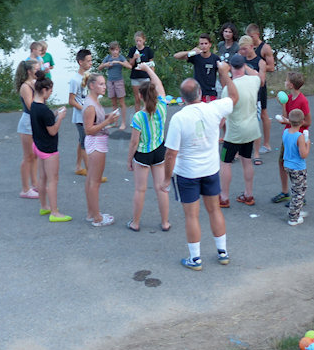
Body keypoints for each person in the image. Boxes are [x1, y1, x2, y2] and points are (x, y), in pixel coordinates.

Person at [163, 62, 239, 270]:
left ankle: (195, 258)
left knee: (191, 216)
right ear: (200, 93)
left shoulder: (179, 118)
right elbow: (234, 97)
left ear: (182, 98)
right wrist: (225, 74)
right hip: (210, 170)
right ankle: (222, 252)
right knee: (214, 210)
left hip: (187, 173)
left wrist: (166, 179)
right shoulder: (213, 108)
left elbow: (171, 154)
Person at [126, 63, 171, 232]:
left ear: (140, 96)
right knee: (161, 188)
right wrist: (148, 69)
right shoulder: (162, 107)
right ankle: (165, 222)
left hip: (143, 154)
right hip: (159, 151)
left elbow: (134, 142)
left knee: (140, 190)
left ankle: (135, 223)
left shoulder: (138, 117)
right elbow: (160, 85)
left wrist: (129, 160)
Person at [218, 53, 261, 207]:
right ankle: (248, 194)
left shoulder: (227, 90)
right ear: (244, 65)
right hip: (251, 129)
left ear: (230, 67)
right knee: (247, 161)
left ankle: (224, 197)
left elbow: (223, 116)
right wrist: (245, 65)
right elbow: (256, 74)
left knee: (225, 163)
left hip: (234, 133)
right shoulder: (254, 81)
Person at [30, 70, 72, 222]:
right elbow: (53, 130)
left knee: (42, 177)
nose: (51, 93)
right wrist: (60, 117)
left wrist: (54, 113)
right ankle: (54, 212)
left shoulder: (34, 106)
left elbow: (43, 120)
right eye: (50, 91)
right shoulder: (44, 110)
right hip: (49, 149)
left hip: (38, 146)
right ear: (44, 90)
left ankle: (44, 206)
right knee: (53, 180)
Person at [83, 72, 120, 226]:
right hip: (96, 143)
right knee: (95, 181)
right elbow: (88, 129)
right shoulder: (90, 105)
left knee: (91, 179)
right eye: (101, 84)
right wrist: (108, 122)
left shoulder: (93, 101)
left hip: (97, 141)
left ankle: (91, 213)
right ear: (92, 85)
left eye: (104, 84)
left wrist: (106, 116)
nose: (104, 87)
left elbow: (95, 120)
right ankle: (97, 217)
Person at [272, 72, 312, 204]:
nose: (285, 82)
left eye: (286, 80)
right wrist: (283, 105)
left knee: (295, 167)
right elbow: (286, 117)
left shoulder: (302, 100)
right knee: (282, 162)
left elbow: (308, 122)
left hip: (298, 137)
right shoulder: (288, 98)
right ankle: (285, 192)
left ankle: (300, 195)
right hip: (288, 135)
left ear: (291, 85)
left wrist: (288, 122)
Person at [247, 23, 275, 156]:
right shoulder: (247, 48)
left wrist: (258, 68)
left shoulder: (265, 48)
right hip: (248, 86)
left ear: (257, 35)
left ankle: (266, 144)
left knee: (263, 113)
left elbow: (272, 67)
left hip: (260, 85)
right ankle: (249, 143)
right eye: (248, 37)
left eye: (252, 37)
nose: (250, 39)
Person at [239, 35, 267, 165]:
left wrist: (246, 68)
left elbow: (261, 82)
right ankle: (239, 151)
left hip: (255, 99)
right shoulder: (240, 60)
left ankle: (256, 153)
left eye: (245, 49)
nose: (243, 52)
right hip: (242, 97)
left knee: (254, 126)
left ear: (251, 46)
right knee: (240, 124)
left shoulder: (260, 62)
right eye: (241, 49)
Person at [14, 60, 40, 199]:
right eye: (36, 69)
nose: (39, 71)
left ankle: (35, 184)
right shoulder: (26, 86)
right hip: (27, 123)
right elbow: (31, 106)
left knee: (35, 155)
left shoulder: (35, 83)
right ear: (29, 71)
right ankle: (25, 189)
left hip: (35, 121)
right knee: (28, 156)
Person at [283, 109, 311, 226]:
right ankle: (293, 217)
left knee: (296, 188)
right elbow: (303, 154)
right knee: (299, 192)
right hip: (298, 167)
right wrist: (307, 144)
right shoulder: (300, 136)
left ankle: (296, 210)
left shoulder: (286, 132)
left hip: (287, 165)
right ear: (302, 122)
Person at [173, 33, 220, 102]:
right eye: (201, 44)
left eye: (206, 43)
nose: (204, 46)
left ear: (210, 45)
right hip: (197, 93)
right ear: (199, 45)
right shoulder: (196, 56)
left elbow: (222, 74)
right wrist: (190, 52)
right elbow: (176, 56)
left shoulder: (215, 58)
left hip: (210, 93)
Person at [69, 49, 93, 177]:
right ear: (80, 62)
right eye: (88, 61)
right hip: (80, 117)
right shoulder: (75, 80)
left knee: (81, 141)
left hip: (88, 115)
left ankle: (78, 167)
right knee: (85, 144)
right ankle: (91, 172)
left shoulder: (88, 76)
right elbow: (71, 101)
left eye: (91, 60)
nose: (91, 63)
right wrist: (84, 109)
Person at [99, 41, 129, 130]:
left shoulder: (121, 57)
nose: (115, 52)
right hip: (110, 81)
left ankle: (123, 123)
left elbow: (129, 66)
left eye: (116, 50)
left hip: (119, 81)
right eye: (113, 50)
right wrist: (106, 64)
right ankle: (114, 122)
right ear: (110, 50)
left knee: (122, 103)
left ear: (118, 50)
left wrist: (119, 62)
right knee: (113, 104)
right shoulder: (108, 58)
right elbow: (99, 68)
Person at [128, 31, 154, 113]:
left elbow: (152, 64)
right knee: (137, 98)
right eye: (137, 41)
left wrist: (152, 76)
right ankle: (137, 116)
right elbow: (130, 65)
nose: (138, 43)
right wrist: (134, 58)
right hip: (135, 76)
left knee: (147, 98)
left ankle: (148, 115)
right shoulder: (132, 50)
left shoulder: (148, 50)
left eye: (140, 40)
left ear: (144, 40)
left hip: (145, 76)